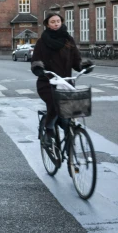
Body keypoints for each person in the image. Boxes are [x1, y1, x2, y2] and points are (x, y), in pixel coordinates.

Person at [30, 12, 92, 153]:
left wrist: (83, 66)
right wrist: (39, 68)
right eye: (53, 21)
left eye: (58, 21)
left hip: (65, 82)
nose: (56, 23)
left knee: (69, 114)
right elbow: (36, 59)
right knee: (54, 103)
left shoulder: (68, 40)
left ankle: (69, 143)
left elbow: (76, 59)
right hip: (48, 82)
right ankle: (49, 129)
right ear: (47, 24)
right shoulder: (42, 41)